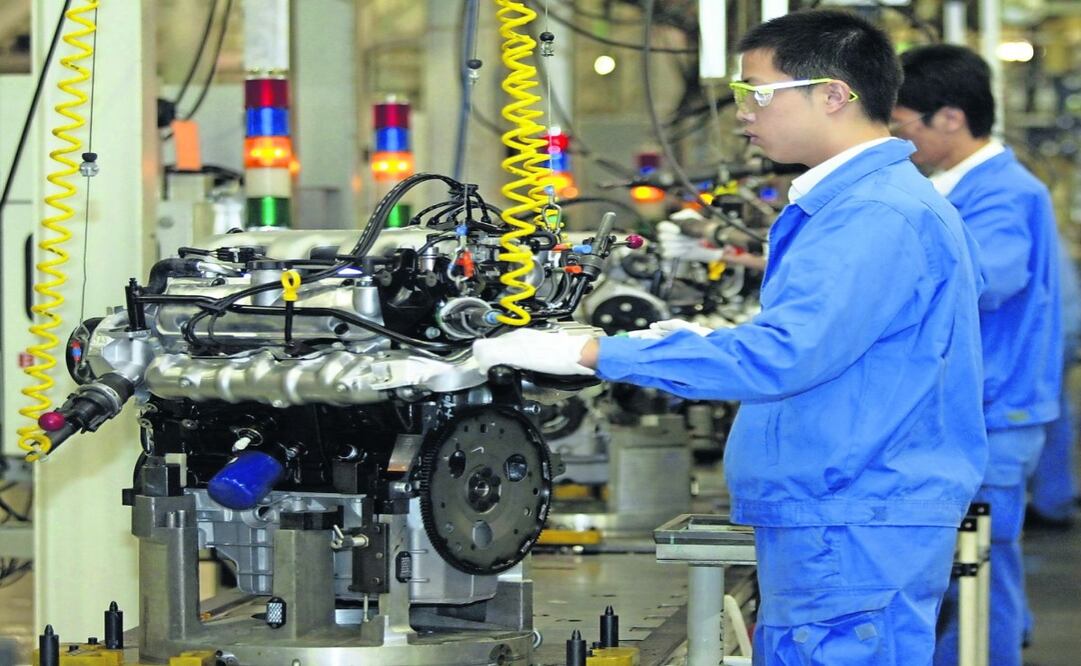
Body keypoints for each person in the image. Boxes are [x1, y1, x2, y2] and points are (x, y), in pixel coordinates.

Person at [476, 9, 987, 664]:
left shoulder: (873, 214)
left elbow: (784, 357)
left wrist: (591, 351)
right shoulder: (853, 204)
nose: (742, 112)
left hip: (852, 514)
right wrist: (694, 339)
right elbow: (818, 345)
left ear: (833, 95)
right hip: (840, 508)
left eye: (756, 92)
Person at [891, 44, 1063, 666]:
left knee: (981, 573)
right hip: (983, 409)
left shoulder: (1000, 192)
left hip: (994, 413)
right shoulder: (965, 186)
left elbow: (992, 277)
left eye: (902, 123)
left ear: (950, 118)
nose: (896, 138)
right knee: (983, 570)